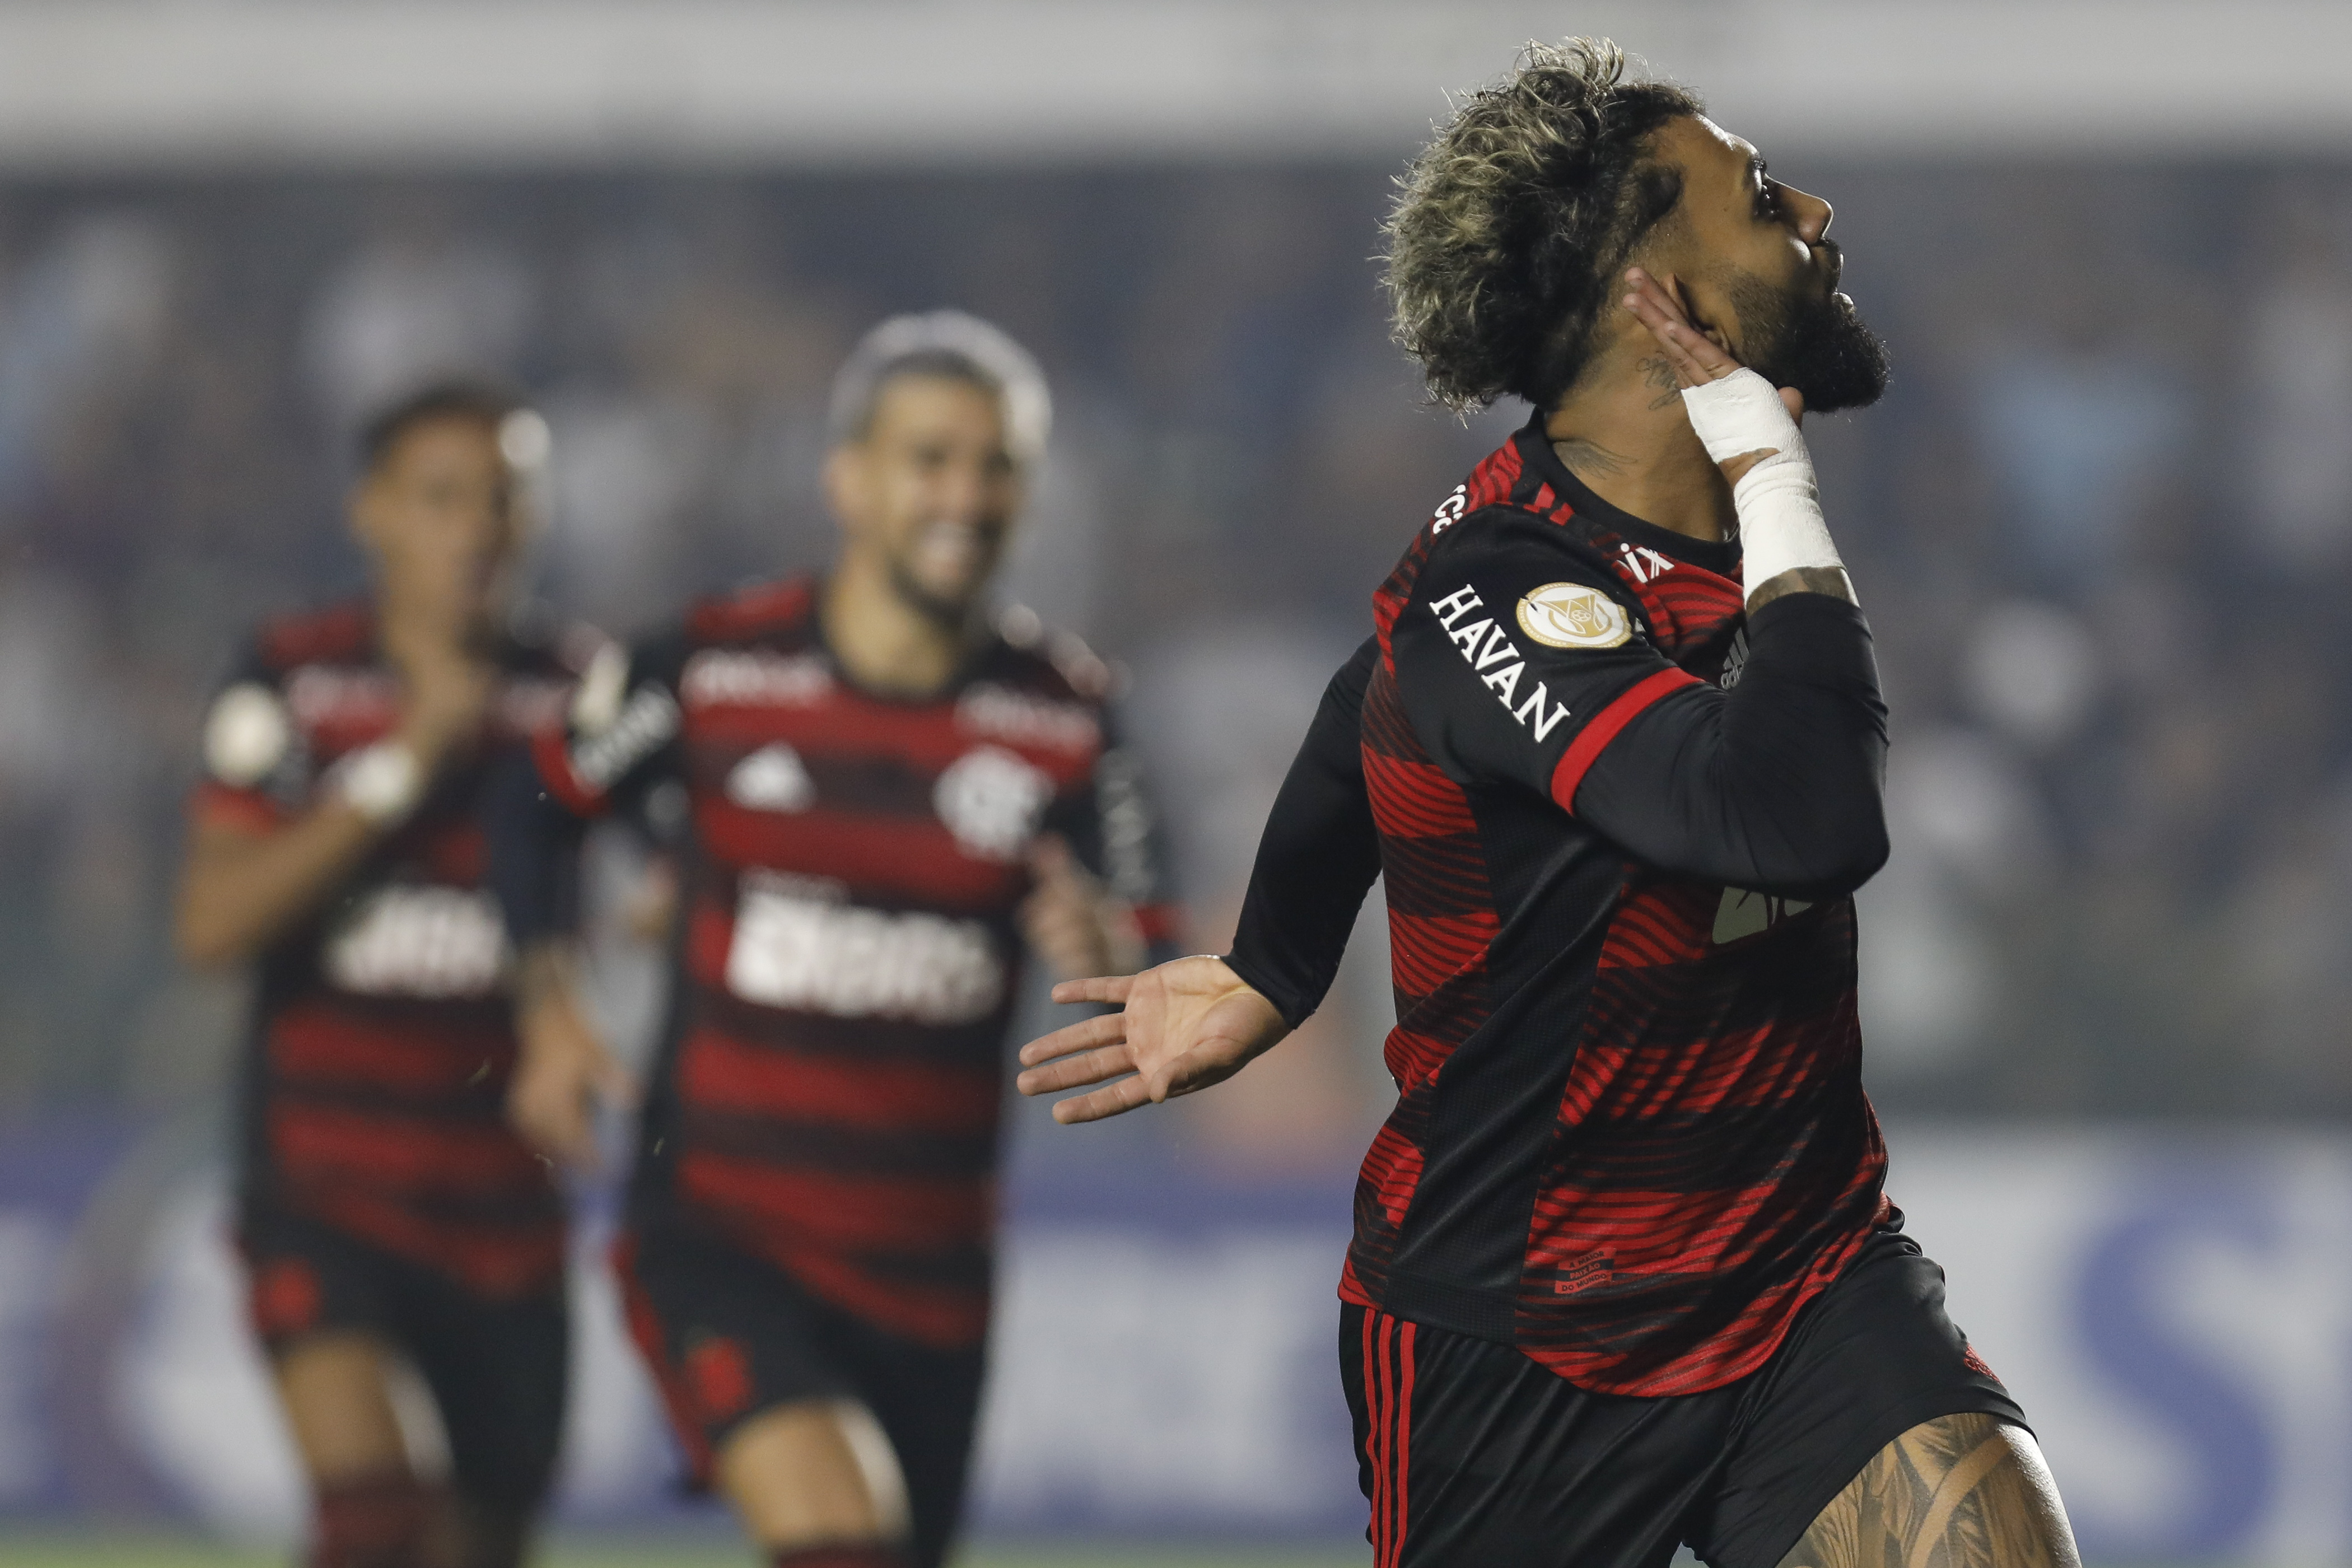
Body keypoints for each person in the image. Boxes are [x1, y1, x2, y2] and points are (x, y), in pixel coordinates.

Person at [1016, 40, 2081, 1568]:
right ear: (1666, 298)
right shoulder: (1507, 589)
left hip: (1801, 1278)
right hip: (1519, 1340)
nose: (1817, 211)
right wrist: (1776, 476)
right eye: (1761, 196)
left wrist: (1273, 964)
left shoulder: (1670, 565)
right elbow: (1794, 825)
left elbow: (1349, 712)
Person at [492, 310, 1176, 1568]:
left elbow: (1162, 960)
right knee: (837, 1539)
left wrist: (1114, 951)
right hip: (723, 1233)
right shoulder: (708, 672)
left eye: (993, 465)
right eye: (930, 458)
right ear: (847, 477)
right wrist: (546, 1004)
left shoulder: (1068, 719)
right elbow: (533, 801)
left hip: (932, 1275)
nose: (963, 495)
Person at [175, 383, 581, 1568]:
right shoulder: (294, 682)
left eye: (502, 499)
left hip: (505, 1191)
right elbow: (211, 926)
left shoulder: (579, 695)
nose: (476, 529)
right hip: (325, 1181)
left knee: (487, 1538)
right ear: (374, 512)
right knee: (371, 1518)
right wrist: (402, 764)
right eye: (441, 497)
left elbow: (668, 873)